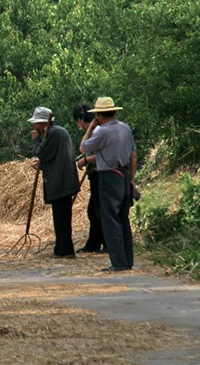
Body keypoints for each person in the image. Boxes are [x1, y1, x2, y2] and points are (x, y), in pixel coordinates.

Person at [80, 97, 137, 272]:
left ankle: (118, 262)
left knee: (110, 220)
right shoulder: (125, 128)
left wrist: (90, 127)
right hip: (124, 174)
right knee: (123, 218)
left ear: (98, 115)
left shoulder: (102, 132)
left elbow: (83, 147)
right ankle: (127, 260)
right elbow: (133, 155)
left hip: (109, 176)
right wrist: (131, 179)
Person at [28, 107, 81, 259]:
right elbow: (51, 156)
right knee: (62, 217)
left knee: (61, 218)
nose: (35, 127)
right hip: (63, 180)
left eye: (36, 124)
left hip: (61, 181)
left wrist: (36, 139)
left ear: (42, 123)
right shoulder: (56, 132)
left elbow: (41, 152)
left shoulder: (54, 133)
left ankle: (64, 250)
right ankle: (62, 248)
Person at [72, 105, 106, 253]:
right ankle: (93, 244)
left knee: (98, 211)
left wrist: (85, 160)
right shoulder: (95, 131)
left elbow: (84, 149)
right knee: (93, 211)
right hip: (96, 175)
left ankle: (106, 244)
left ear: (79, 120)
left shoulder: (96, 132)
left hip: (101, 175)